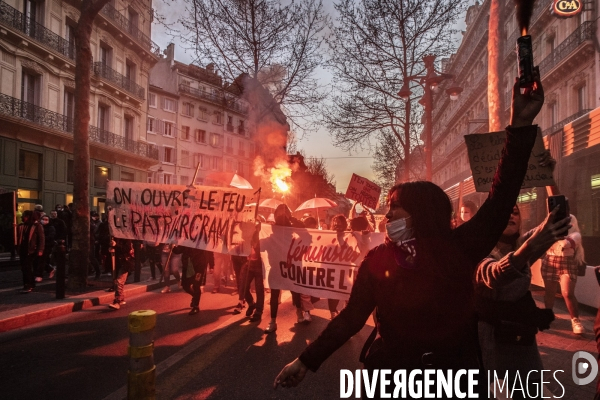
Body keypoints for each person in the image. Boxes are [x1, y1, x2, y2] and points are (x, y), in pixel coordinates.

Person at [273, 68, 545, 393]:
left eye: (395, 210)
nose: (387, 218)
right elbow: (350, 318)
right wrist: (306, 360)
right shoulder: (377, 260)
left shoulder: (459, 248)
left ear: (420, 214)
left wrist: (520, 125)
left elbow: (501, 198)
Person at [475, 205, 569, 398]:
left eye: (515, 212)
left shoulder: (520, 244)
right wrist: (530, 246)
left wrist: (550, 181)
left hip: (522, 337)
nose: (510, 215)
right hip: (493, 340)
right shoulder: (478, 250)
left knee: (530, 389)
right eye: (505, 211)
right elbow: (494, 275)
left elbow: (556, 224)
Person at [541, 213, 586, 334]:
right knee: (549, 292)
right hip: (550, 260)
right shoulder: (554, 233)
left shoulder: (576, 235)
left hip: (567, 263)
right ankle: (548, 316)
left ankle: (575, 320)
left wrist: (554, 234)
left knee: (567, 293)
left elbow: (566, 244)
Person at [264, 204, 306, 333]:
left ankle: (299, 312)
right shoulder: (271, 229)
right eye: (279, 213)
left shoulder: (292, 230)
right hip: (276, 268)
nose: (281, 216)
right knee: (274, 295)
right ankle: (272, 321)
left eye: (284, 213)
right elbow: (260, 245)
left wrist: (291, 218)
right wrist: (255, 232)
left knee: (295, 291)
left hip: (290, 267)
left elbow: (306, 233)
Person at [238, 221, 265, 322]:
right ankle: (251, 304)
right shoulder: (246, 236)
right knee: (243, 287)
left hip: (258, 265)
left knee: (259, 289)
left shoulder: (261, 236)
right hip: (248, 264)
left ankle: (258, 311)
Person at [17, 210, 44, 293]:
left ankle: (29, 284)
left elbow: (41, 239)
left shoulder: (36, 226)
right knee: (24, 268)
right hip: (23, 249)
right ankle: (28, 284)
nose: (22, 217)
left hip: (32, 250)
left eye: (24, 216)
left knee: (28, 267)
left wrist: (40, 249)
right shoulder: (21, 226)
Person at [182, 247, 214, 315]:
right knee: (185, 285)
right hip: (188, 266)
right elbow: (178, 250)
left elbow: (210, 251)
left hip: (200, 267)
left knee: (196, 285)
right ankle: (195, 296)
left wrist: (211, 265)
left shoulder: (203, 238)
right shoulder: (186, 238)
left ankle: (196, 306)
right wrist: (172, 246)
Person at [108, 237, 135, 310]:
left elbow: (126, 249)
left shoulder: (126, 238)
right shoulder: (113, 238)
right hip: (117, 263)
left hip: (125, 263)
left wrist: (116, 246)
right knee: (118, 282)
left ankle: (117, 301)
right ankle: (121, 298)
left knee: (119, 282)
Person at [36, 214, 56, 281]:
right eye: (43, 219)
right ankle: (50, 269)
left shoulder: (51, 228)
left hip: (47, 246)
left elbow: (51, 237)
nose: (44, 221)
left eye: (46, 220)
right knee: (41, 260)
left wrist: (42, 239)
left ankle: (39, 275)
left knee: (42, 260)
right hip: (40, 246)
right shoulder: (39, 227)